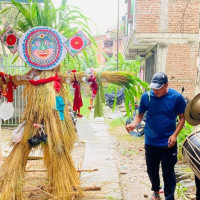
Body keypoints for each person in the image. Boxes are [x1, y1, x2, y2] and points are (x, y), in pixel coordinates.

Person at [126, 72, 186, 200]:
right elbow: (140, 114)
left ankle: (169, 197)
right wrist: (134, 124)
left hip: (168, 143)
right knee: (151, 170)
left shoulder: (176, 97)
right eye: (153, 87)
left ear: (166, 85)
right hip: (151, 141)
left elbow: (182, 118)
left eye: (158, 88)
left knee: (168, 172)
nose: (155, 91)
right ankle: (156, 191)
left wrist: (175, 135)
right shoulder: (146, 97)